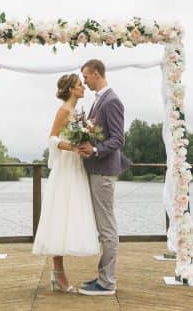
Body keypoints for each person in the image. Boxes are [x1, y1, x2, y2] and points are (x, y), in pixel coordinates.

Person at [31, 73, 100, 293]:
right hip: (65, 169)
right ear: (71, 89)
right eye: (80, 85)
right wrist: (71, 147)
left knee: (72, 216)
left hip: (76, 168)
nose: (84, 88)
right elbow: (52, 138)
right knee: (60, 217)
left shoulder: (79, 113)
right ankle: (58, 274)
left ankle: (57, 274)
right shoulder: (63, 111)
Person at [76, 59, 130, 296]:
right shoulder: (99, 100)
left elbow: (119, 139)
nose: (84, 82)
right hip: (96, 170)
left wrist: (96, 150)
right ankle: (102, 276)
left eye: (86, 77)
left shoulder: (112, 101)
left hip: (104, 172)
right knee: (103, 226)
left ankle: (107, 282)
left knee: (107, 228)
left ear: (96, 74)